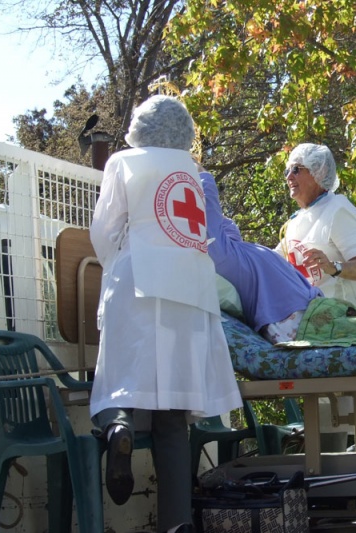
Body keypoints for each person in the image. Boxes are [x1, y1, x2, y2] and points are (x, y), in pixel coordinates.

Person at [89, 95, 243, 533]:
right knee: (172, 412)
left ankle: (117, 427)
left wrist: (116, 261)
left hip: (139, 280)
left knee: (117, 382)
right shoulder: (192, 172)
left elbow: (104, 231)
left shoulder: (124, 162)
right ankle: (176, 523)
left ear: (140, 127)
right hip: (190, 291)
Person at [200, 168, 323, 343]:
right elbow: (209, 212)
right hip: (295, 320)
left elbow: (223, 224)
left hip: (311, 308)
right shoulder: (221, 257)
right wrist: (198, 170)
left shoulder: (234, 251)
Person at [276, 143, 356, 311]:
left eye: (296, 169)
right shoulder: (296, 221)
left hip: (348, 319)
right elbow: (270, 262)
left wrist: (333, 267)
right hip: (313, 321)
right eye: (286, 171)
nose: (289, 177)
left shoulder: (337, 210)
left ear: (319, 172)